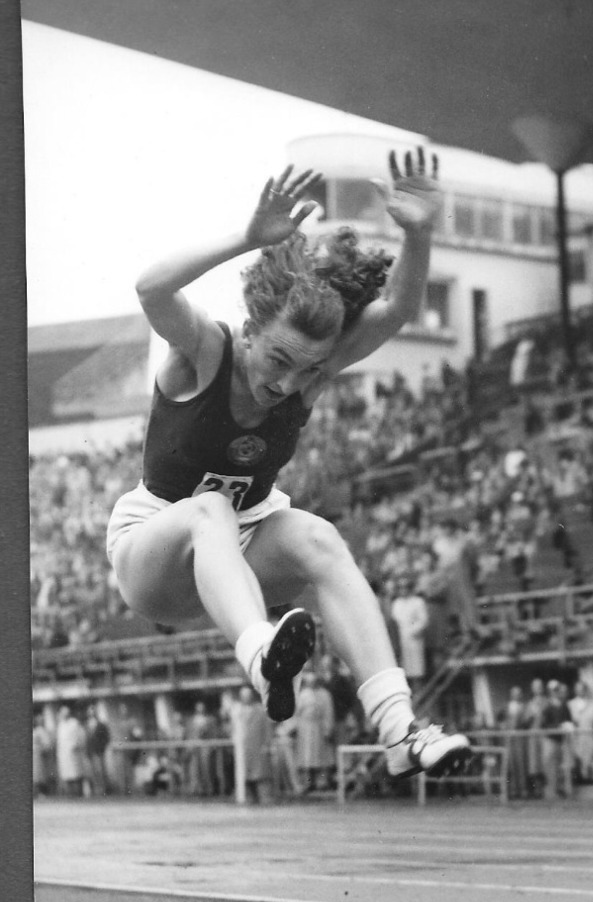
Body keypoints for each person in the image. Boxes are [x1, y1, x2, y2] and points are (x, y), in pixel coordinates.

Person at [106, 147, 469, 780]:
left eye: (308, 368)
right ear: (250, 333)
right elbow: (150, 287)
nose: (288, 382)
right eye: (278, 360)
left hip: (240, 552)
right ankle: (261, 654)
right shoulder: (205, 351)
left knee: (316, 535)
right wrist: (246, 238)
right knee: (210, 509)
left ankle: (400, 730)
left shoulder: (305, 378)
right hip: (155, 552)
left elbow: (398, 311)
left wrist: (419, 233)